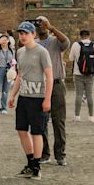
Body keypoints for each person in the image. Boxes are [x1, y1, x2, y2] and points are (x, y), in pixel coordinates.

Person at [8, 21, 53, 180]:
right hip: (24, 96)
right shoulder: (20, 52)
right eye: (21, 33)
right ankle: (30, 162)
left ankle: (37, 166)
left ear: (33, 34)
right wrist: (13, 94)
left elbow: (49, 76)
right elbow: (20, 75)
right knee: (21, 130)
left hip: (38, 97)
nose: (23, 36)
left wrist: (47, 99)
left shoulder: (42, 52)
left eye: (26, 33)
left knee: (36, 132)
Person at [34, 16, 70, 166]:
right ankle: (44, 153)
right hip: (39, 85)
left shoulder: (55, 42)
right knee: (41, 120)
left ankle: (60, 154)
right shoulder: (33, 44)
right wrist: (29, 31)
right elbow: (19, 45)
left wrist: (51, 27)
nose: (40, 25)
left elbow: (66, 42)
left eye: (43, 23)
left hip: (56, 84)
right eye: (38, 23)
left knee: (58, 120)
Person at [68, 30, 94, 122]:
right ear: (89, 35)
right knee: (90, 94)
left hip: (78, 73)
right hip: (90, 73)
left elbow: (71, 58)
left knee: (79, 94)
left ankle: (77, 116)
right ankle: (91, 116)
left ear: (80, 36)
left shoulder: (75, 45)